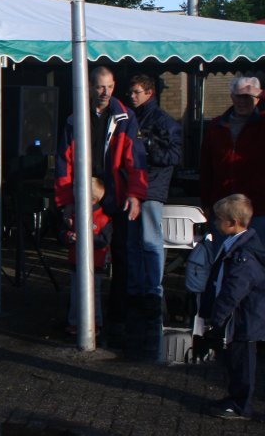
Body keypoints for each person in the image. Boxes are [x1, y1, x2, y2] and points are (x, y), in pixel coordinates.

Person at [55, 66, 148, 347]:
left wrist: (135, 194)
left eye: (109, 86)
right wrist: (66, 202)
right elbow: (63, 163)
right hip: (85, 196)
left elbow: (135, 159)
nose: (105, 92)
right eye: (100, 87)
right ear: (90, 87)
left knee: (120, 255)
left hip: (115, 197)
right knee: (79, 257)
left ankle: (116, 317)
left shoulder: (125, 118)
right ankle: (80, 317)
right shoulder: (75, 120)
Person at [199, 194, 265, 419]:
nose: (216, 222)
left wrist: (217, 316)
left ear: (233, 222)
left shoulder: (243, 256)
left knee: (242, 362)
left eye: (219, 219)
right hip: (238, 317)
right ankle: (235, 397)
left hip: (244, 318)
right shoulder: (237, 247)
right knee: (234, 360)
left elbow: (233, 291)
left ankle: (241, 405)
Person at [127, 74, 182, 344]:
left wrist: (147, 145)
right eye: (131, 92)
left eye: (137, 92)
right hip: (137, 187)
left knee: (150, 240)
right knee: (135, 242)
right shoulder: (132, 117)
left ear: (149, 93)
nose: (132, 96)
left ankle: (152, 290)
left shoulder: (161, 120)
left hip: (151, 187)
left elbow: (174, 156)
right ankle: (140, 289)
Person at [200, 76, 265, 237]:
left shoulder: (262, 124)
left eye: (247, 96)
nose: (242, 101)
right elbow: (206, 167)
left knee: (256, 251)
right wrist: (206, 202)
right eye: (238, 96)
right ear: (231, 97)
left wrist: (262, 93)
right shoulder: (216, 126)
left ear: (257, 98)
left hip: (257, 207)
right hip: (223, 208)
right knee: (223, 251)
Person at [62, 177, 113, 337]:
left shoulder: (103, 219)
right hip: (76, 262)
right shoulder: (75, 215)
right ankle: (74, 322)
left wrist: (85, 237)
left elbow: (104, 241)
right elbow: (63, 233)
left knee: (93, 294)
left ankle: (95, 323)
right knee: (75, 294)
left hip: (94, 264)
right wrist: (69, 236)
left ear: (92, 199)